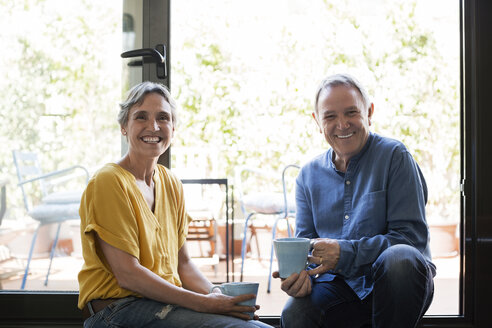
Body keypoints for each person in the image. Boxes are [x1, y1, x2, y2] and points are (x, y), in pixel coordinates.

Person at [78, 81, 271, 328]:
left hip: (164, 307)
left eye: (163, 117)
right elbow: (128, 275)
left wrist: (215, 294)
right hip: (118, 312)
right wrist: (205, 304)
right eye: (141, 117)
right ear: (123, 127)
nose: (153, 126)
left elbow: (184, 265)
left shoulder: (170, 183)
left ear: (173, 128)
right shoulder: (109, 181)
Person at [273, 74, 436, 328]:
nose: (342, 124)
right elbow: (306, 248)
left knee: (400, 259)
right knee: (295, 311)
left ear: (369, 113)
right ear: (317, 121)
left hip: (396, 284)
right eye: (330, 116)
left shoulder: (395, 157)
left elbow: (411, 240)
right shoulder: (307, 176)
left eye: (351, 113)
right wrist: (297, 277)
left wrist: (344, 253)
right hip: (337, 289)